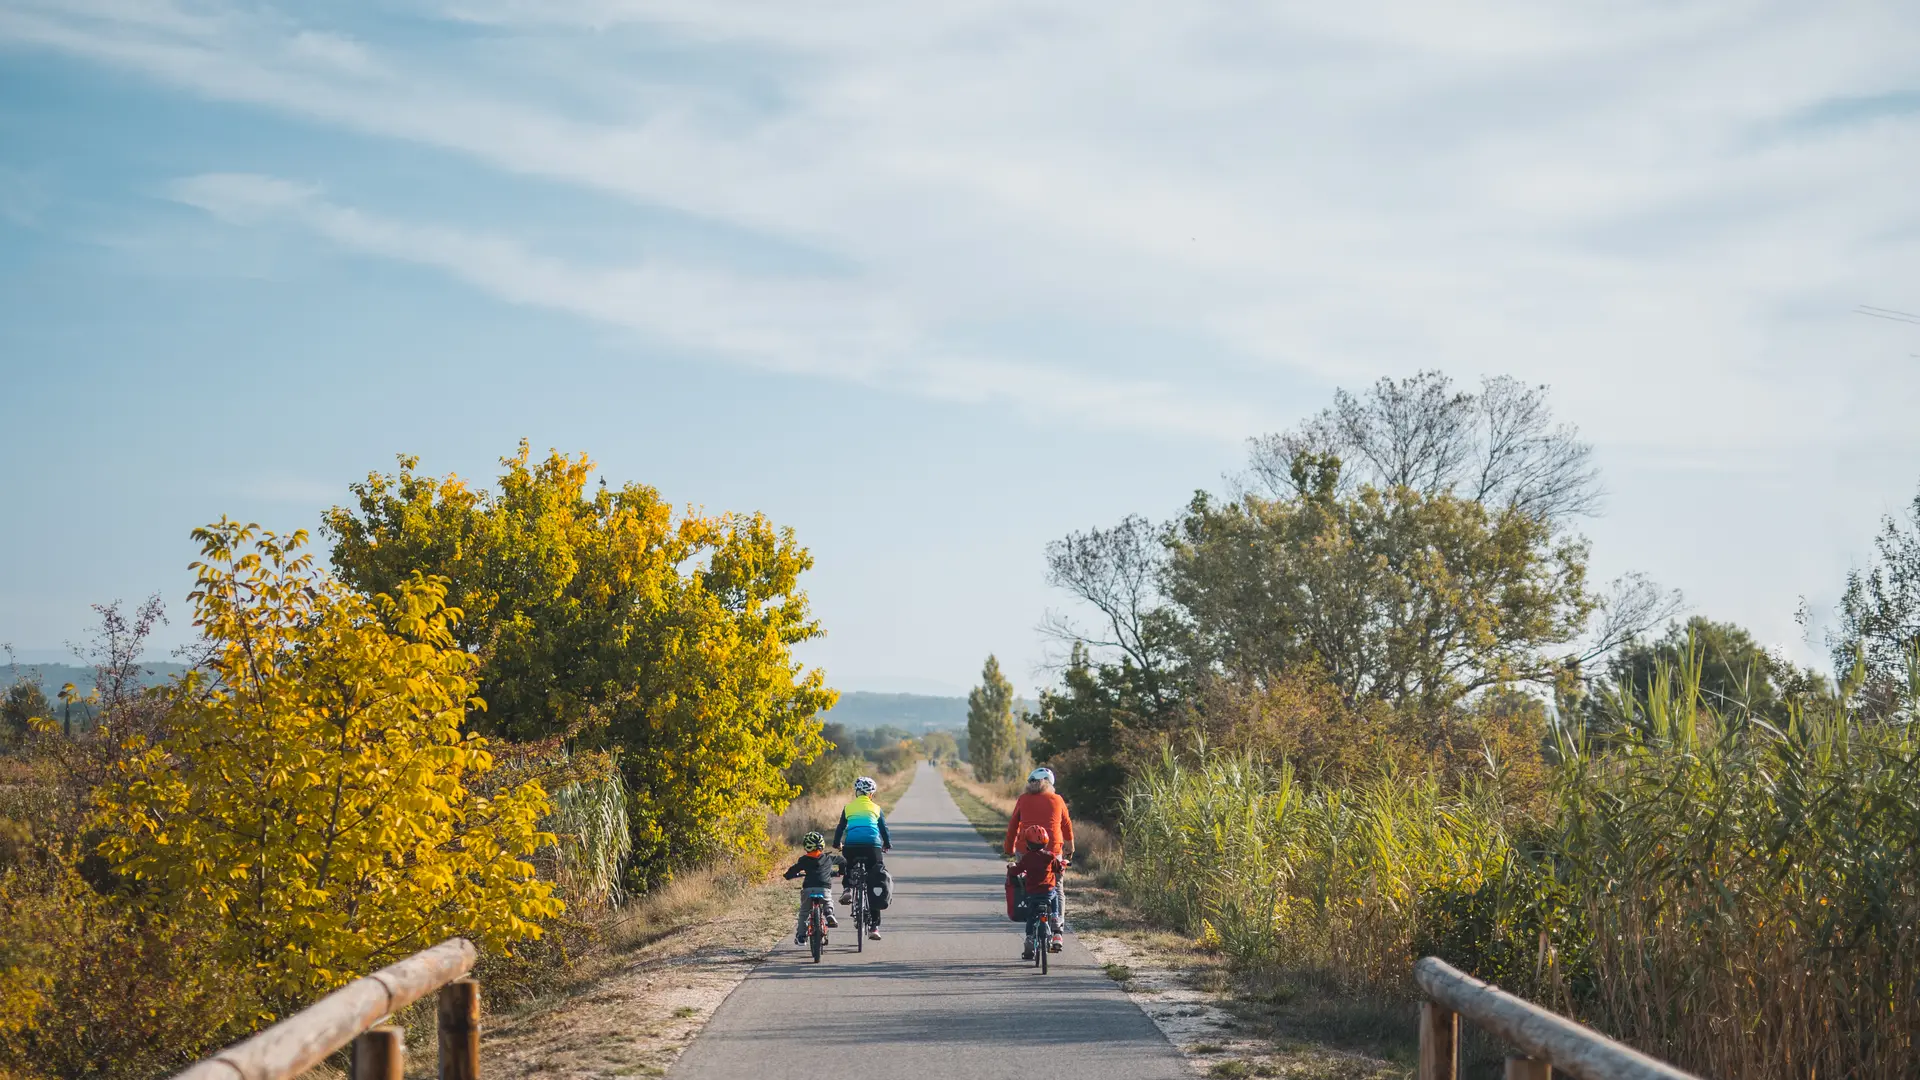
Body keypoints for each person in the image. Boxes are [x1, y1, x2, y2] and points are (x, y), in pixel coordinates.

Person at [1005, 767, 1074, 930]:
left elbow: (1013, 825)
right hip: (1054, 850)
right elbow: (1066, 825)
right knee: (1057, 886)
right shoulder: (1058, 800)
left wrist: (1009, 848)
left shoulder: (1023, 799)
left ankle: (1031, 919)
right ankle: (1058, 925)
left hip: (1025, 848)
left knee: (1028, 882)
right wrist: (1070, 846)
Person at [833, 775, 891, 940]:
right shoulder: (876, 808)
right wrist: (887, 844)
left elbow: (840, 828)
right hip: (872, 847)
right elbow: (884, 829)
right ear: (871, 794)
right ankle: (874, 927)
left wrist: (837, 843)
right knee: (874, 883)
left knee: (847, 865)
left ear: (856, 793)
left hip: (852, 845)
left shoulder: (848, 807)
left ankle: (847, 890)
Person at [1008, 824, 1066, 957]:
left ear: (1028, 843)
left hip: (1033, 894)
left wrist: (1011, 867)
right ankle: (1056, 919)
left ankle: (1029, 938)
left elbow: (1016, 870)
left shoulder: (1027, 858)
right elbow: (1059, 869)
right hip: (1048, 893)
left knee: (1031, 917)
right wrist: (1063, 865)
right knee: (1055, 895)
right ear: (1045, 843)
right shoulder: (1050, 856)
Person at [783, 831, 843, 944]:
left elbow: (791, 871)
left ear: (806, 846)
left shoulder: (803, 860)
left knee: (804, 912)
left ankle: (801, 936)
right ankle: (829, 913)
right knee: (827, 901)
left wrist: (789, 876)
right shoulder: (828, 858)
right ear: (822, 845)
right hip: (824, 888)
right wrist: (840, 872)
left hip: (808, 889)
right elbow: (843, 861)